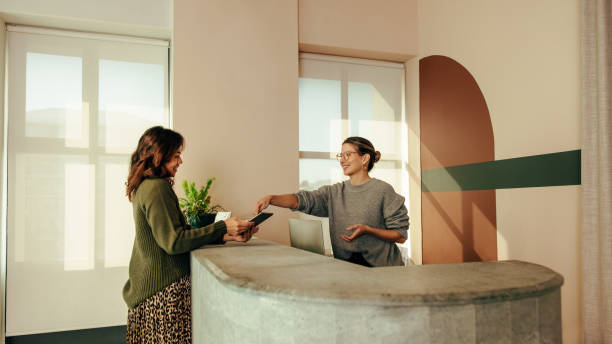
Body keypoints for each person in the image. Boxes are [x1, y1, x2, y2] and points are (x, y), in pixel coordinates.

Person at [123, 126, 256, 344]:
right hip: (164, 292)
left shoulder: (146, 187)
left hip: (152, 289)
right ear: (160, 155)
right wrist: (222, 227)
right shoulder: (157, 188)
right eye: (176, 155)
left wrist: (225, 236)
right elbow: (174, 242)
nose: (180, 161)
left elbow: (176, 234)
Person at [253, 136, 409, 267]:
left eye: (347, 154)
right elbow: (301, 200)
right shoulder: (334, 192)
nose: (342, 160)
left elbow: (400, 235)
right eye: (341, 156)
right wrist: (272, 198)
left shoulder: (383, 190)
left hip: (383, 270)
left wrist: (368, 230)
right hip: (347, 269)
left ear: (365, 159)